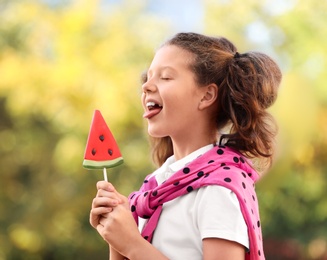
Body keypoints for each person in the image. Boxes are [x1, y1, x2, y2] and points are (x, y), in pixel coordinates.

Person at [89, 32, 282, 260]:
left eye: (166, 77)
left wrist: (132, 244)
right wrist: (117, 241)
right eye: (148, 78)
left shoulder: (218, 190)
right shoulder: (153, 189)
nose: (147, 87)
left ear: (206, 95)